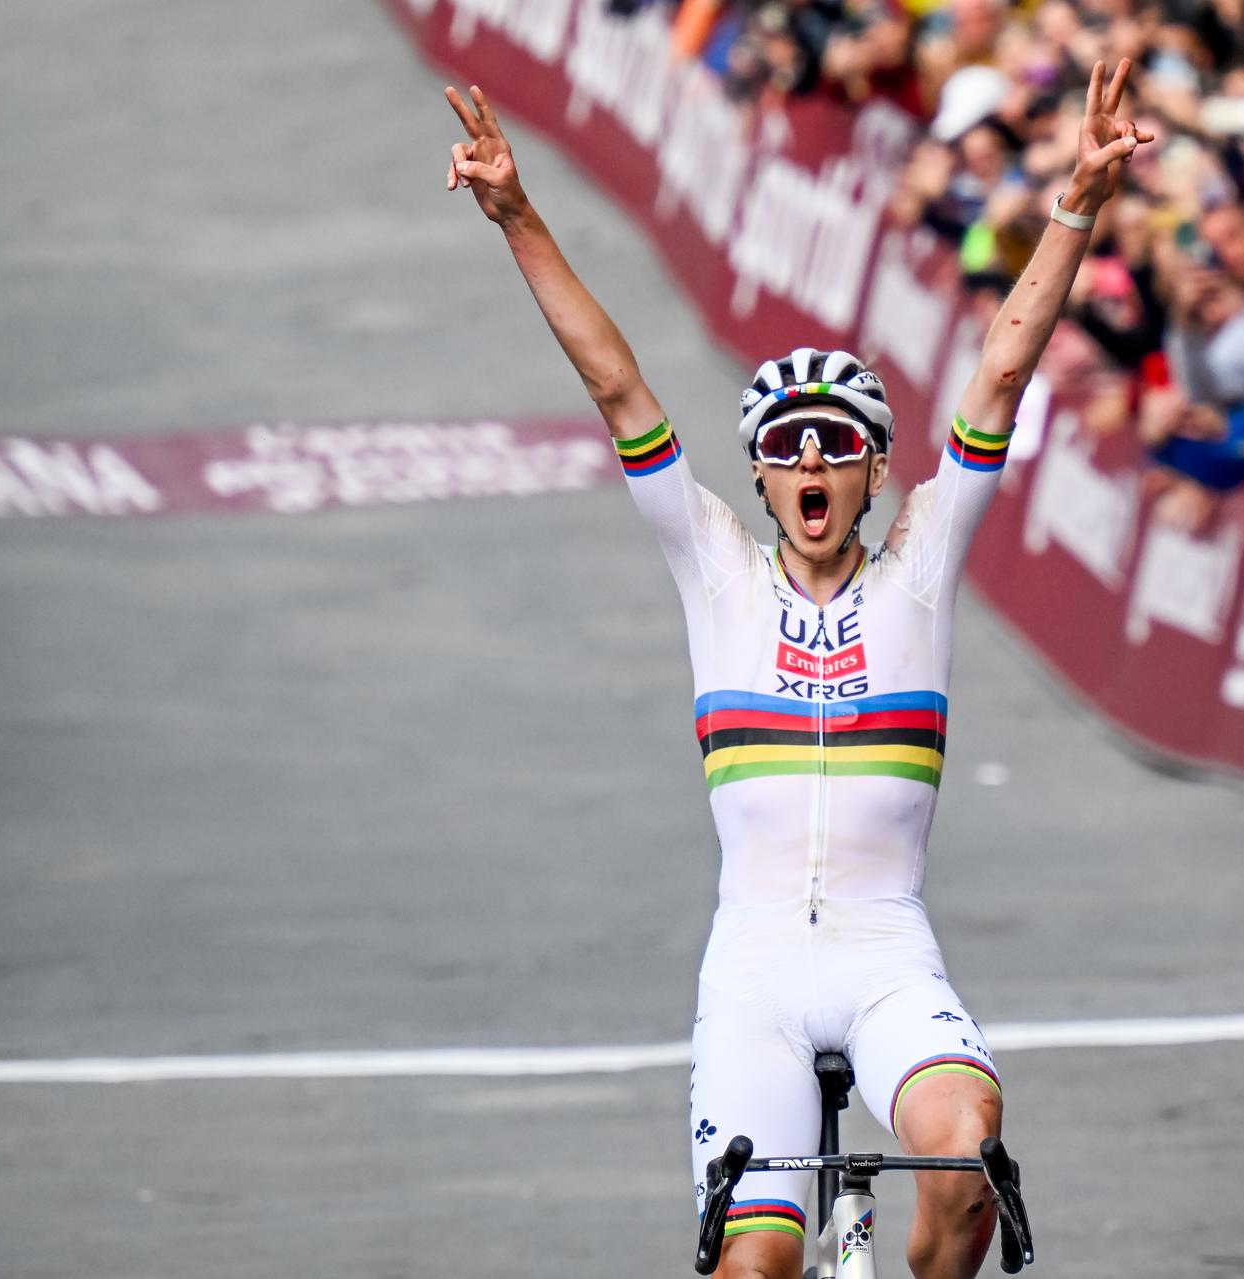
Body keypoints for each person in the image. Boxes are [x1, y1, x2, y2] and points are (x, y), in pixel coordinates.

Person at [442, 63, 1151, 1279]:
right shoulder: (714, 569)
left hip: (884, 955)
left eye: (839, 446)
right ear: (761, 480)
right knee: (756, 1266)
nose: (811, 461)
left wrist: (1077, 203)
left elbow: (999, 376)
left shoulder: (918, 569)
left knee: (967, 1161)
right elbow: (617, 386)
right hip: (758, 969)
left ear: (877, 473)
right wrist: (518, 216)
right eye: (784, 448)